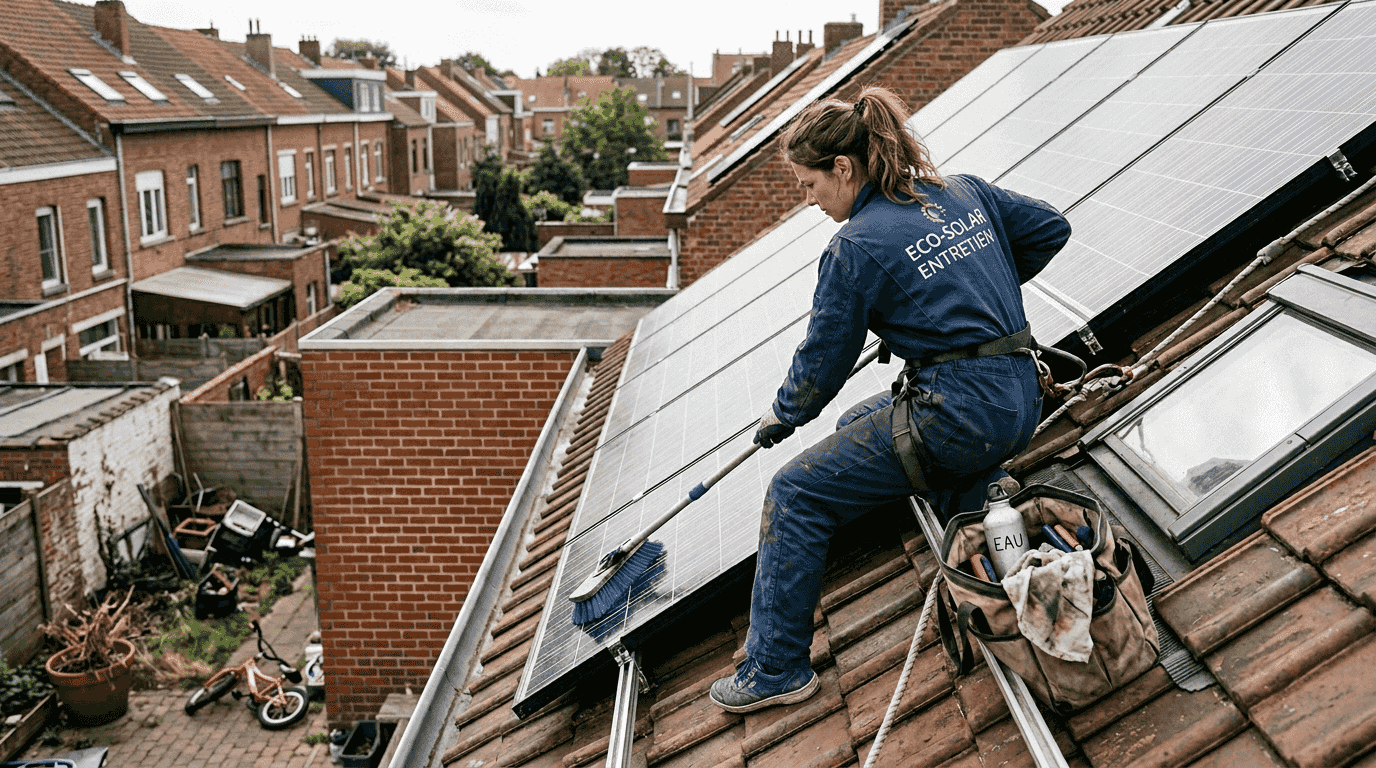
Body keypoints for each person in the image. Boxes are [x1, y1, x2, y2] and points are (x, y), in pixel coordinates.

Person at [709, 86, 1071, 713]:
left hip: (960, 419)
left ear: (842, 169)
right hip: (1019, 397)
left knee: (794, 493)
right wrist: (959, 301)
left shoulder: (855, 247)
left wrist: (783, 415)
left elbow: (822, 362)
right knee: (859, 420)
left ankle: (775, 669)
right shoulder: (961, 190)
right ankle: (980, 493)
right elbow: (1050, 228)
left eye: (809, 185)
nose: (810, 200)